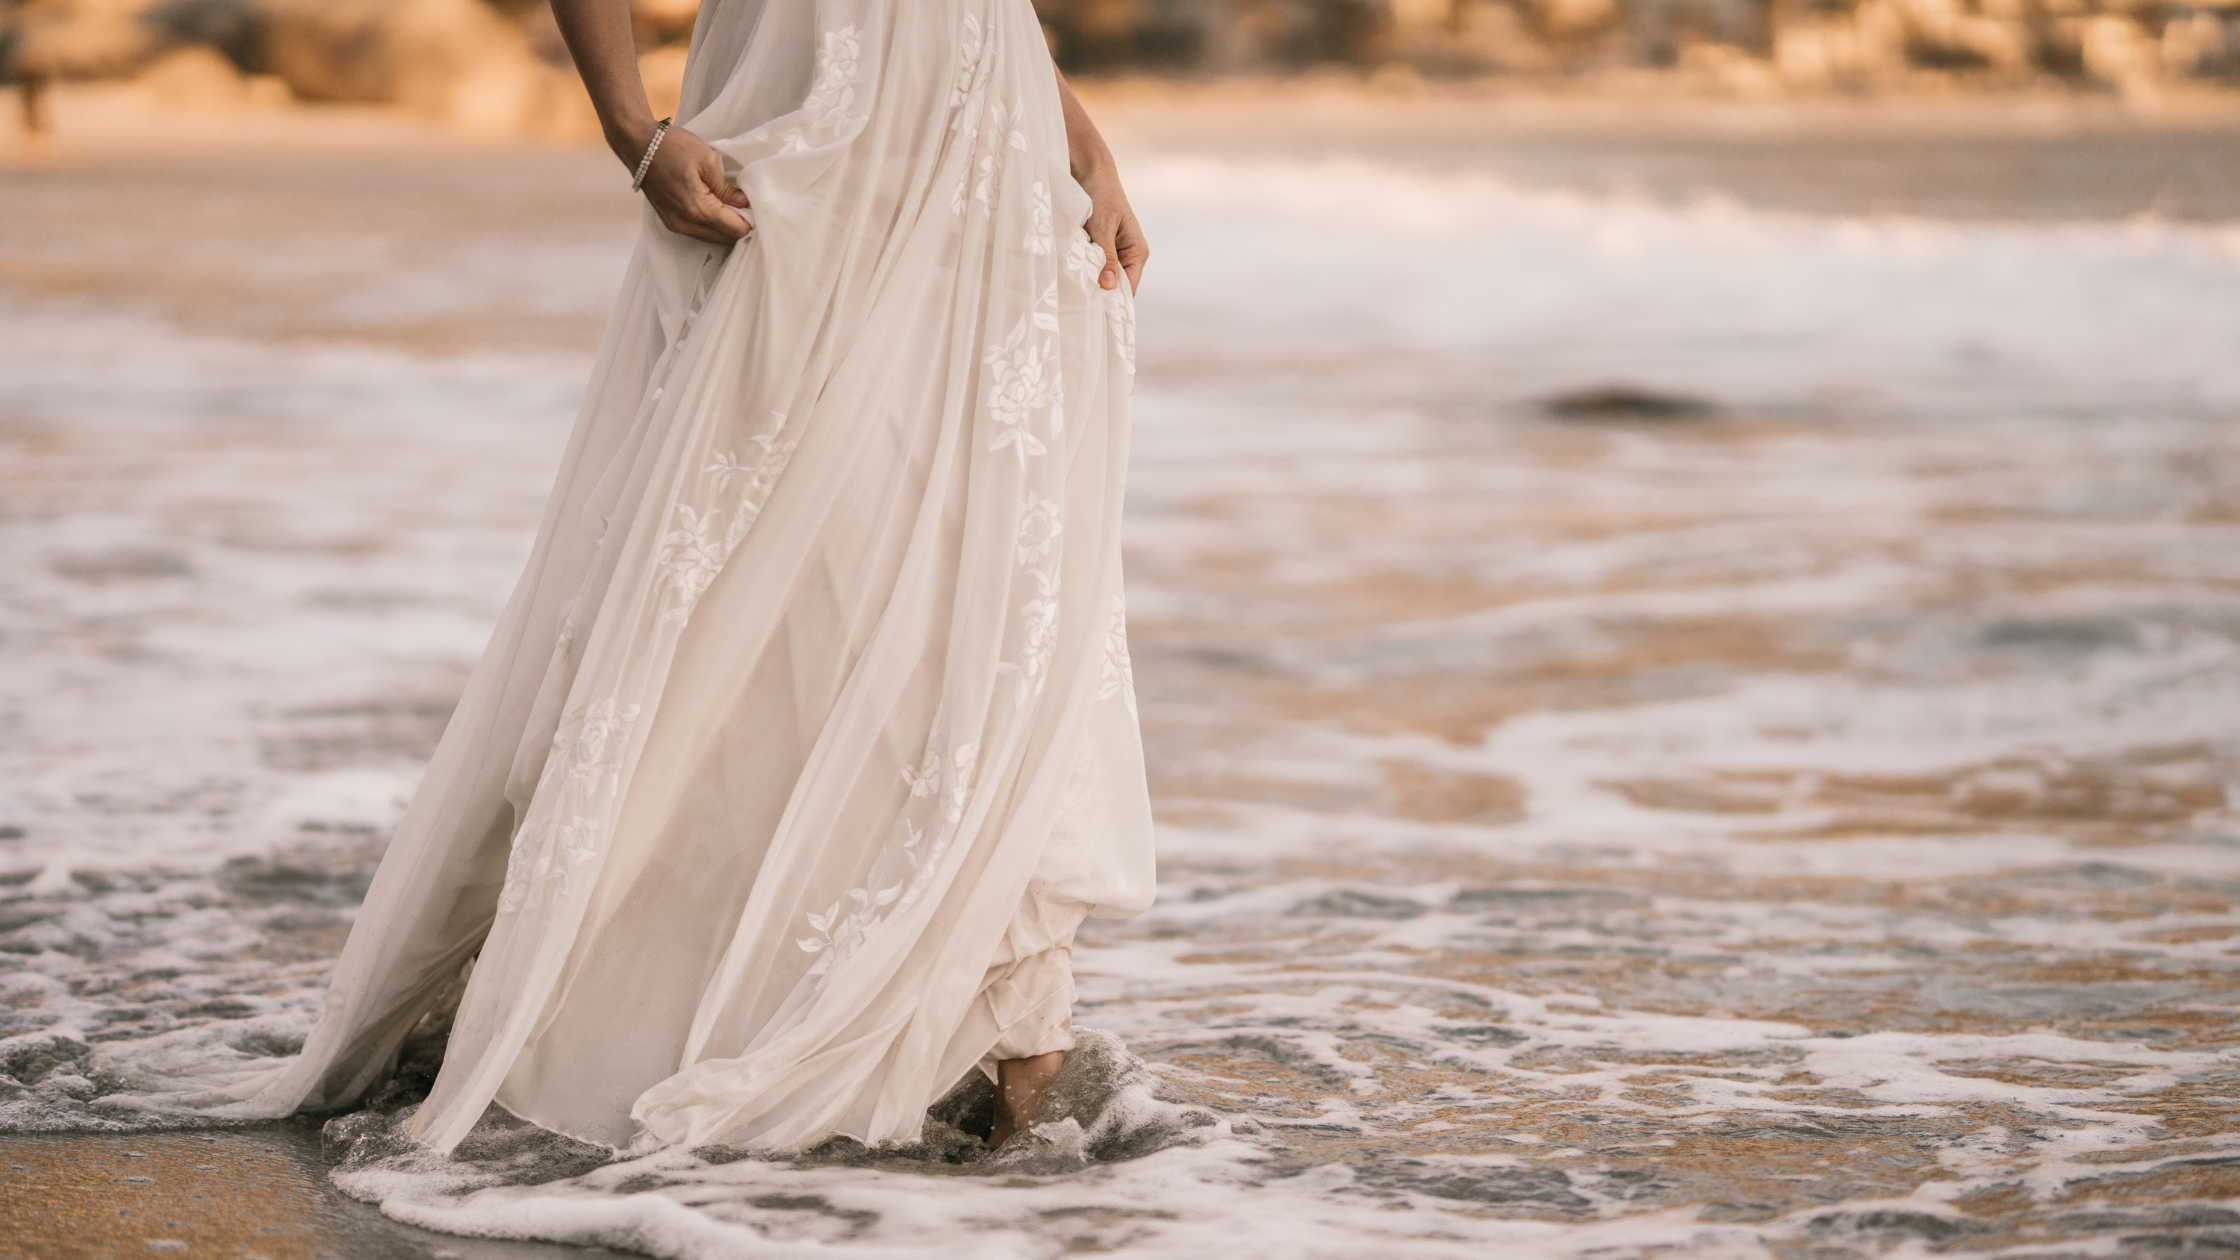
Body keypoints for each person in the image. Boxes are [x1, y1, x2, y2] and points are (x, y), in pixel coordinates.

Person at [129, 0, 1155, 1157]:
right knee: (747, 587)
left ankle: (1006, 1031)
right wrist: (634, 132)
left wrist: (1083, 148)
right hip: (799, 148)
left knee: (974, 579)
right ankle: (683, 1011)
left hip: (991, 167)